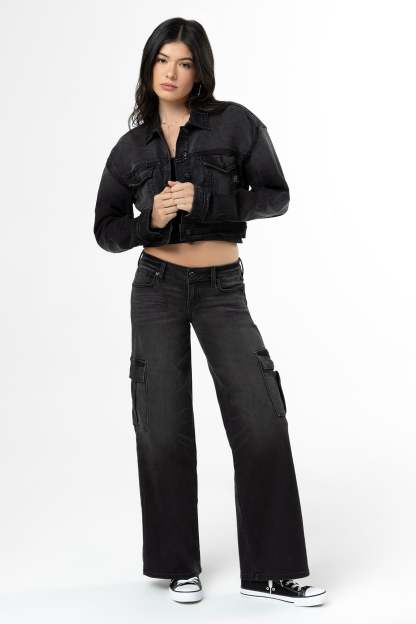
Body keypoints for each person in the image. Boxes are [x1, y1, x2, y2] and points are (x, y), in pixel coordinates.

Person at [94, 17, 327, 607]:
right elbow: (106, 230)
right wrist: (149, 219)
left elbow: (275, 196)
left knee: (261, 415)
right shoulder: (131, 148)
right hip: (156, 287)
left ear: (200, 70)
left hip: (223, 287)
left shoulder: (236, 124)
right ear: (148, 67)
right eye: (162, 60)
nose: (171, 73)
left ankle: (272, 572)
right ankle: (178, 565)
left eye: (184, 62)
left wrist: (209, 198)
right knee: (161, 422)